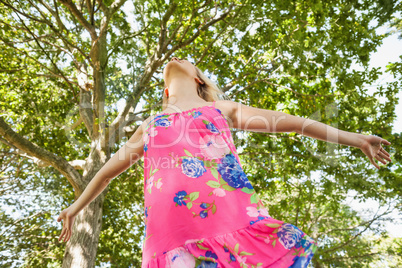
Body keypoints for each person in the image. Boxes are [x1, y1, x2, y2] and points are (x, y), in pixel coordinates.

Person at [57, 57, 392, 267]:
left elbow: (291, 121)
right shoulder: (151, 125)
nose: (176, 59)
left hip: (228, 225)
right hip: (168, 241)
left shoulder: (221, 109)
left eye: (187, 60)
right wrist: (76, 207)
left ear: (198, 77)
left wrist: (356, 138)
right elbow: (105, 174)